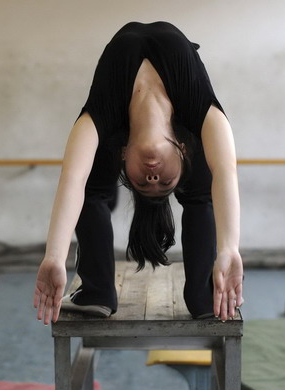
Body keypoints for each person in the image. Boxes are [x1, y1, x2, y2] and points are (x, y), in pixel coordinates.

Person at [33, 21, 243, 325]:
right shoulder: (197, 109)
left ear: (123, 158)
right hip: (177, 133)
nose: (153, 177)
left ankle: (201, 295)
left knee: (90, 187)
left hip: (120, 131)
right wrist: (229, 249)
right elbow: (225, 170)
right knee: (203, 190)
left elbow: (73, 178)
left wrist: (53, 257)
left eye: (143, 183)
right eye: (164, 182)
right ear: (182, 152)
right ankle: (98, 292)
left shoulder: (104, 115)